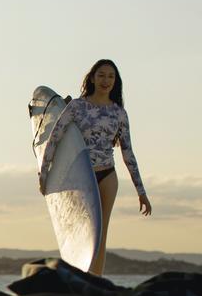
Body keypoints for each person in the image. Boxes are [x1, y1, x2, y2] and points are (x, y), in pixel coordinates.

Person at [39, 58, 153, 276]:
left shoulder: (119, 113)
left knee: (100, 233)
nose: (106, 80)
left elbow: (128, 153)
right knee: (79, 231)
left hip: (107, 176)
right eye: (101, 75)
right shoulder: (77, 106)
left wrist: (142, 192)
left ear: (116, 81)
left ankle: (95, 281)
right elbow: (54, 139)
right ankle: (76, 277)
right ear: (92, 78)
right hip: (81, 175)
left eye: (111, 76)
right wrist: (43, 175)